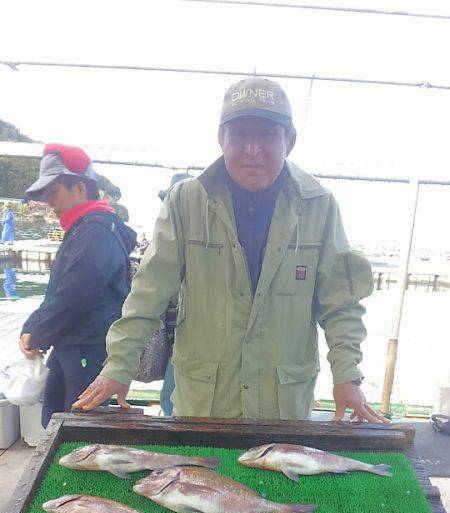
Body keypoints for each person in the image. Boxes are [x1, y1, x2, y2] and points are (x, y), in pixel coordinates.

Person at [75, 77, 387, 423]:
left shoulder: (320, 206)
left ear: (290, 141)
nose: (252, 149)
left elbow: (340, 302)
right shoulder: (185, 202)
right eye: (239, 135)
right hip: (203, 402)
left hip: (283, 405)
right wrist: (119, 364)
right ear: (221, 139)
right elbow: (149, 290)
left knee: (279, 477)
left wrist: (347, 374)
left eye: (268, 134)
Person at [19, 143, 136, 427]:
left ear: (80, 189)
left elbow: (75, 295)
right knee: (55, 422)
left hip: (89, 349)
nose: (49, 201)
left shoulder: (95, 232)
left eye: (54, 192)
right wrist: (32, 327)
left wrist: (37, 335)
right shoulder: (84, 229)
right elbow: (58, 290)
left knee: (79, 429)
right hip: (70, 345)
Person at [158, 172, 193, 416]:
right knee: (169, 396)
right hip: (175, 338)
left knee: (171, 397)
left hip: (187, 340)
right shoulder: (167, 239)